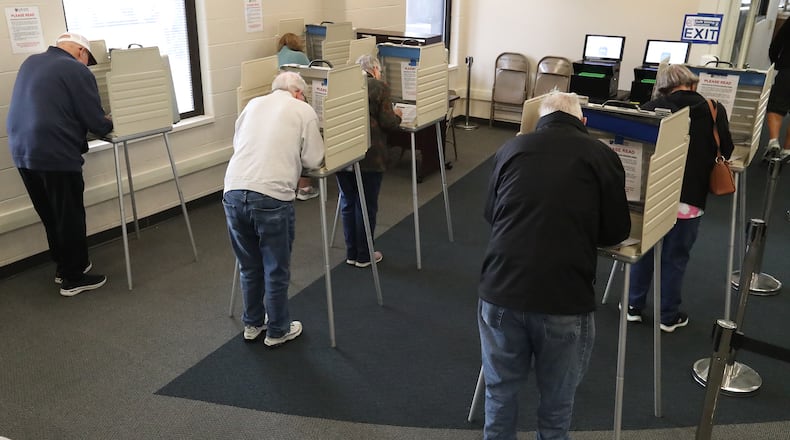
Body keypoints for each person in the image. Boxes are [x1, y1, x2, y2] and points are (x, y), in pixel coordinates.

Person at [478, 91, 631, 440]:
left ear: (538, 119)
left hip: (500, 289)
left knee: (500, 391)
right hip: (563, 296)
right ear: (583, 121)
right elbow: (616, 231)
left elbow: (491, 213)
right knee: (557, 402)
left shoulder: (510, 149)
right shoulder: (602, 155)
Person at [627, 64, 735, 332]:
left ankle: (633, 307)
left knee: (645, 251)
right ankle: (667, 315)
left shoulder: (652, 108)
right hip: (690, 199)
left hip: (655, 196)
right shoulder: (713, 108)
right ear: (691, 82)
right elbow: (727, 147)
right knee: (675, 258)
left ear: (664, 85)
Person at [7, 32, 113, 297]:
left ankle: (63, 268)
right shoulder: (76, 69)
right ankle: (74, 278)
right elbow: (97, 124)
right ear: (81, 52)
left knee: (51, 214)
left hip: (22, 150)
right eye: (88, 60)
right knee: (69, 214)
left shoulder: (31, 62)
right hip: (54, 153)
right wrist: (111, 119)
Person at [223, 71, 324, 346]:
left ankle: (253, 324)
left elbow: (239, 143)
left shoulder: (253, 104)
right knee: (275, 267)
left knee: (249, 265)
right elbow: (314, 158)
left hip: (233, 189)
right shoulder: (303, 110)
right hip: (272, 194)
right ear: (298, 92)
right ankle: (278, 329)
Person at [336, 54, 402, 268]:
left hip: (342, 152)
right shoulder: (378, 87)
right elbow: (388, 122)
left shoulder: (342, 85)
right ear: (374, 69)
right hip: (370, 155)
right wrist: (398, 115)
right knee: (366, 204)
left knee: (348, 202)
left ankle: (351, 252)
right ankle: (364, 255)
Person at [277, 32, 319, 201]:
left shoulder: (276, 56)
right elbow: (313, 75)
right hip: (298, 101)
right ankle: (304, 187)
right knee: (303, 143)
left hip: (281, 108)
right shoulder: (300, 56)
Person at [764, 18, 790, 160]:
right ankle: (787, 150)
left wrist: (776, 61)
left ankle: (774, 142)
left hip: (788, 71)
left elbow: (777, 42)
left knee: (776, 108)